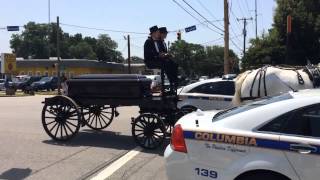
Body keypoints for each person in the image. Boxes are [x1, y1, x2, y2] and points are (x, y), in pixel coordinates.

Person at [144, 26, 178, 94]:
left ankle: (174, 81)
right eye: (157, 33)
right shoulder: (148, 42)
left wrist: (166, 55)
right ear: (153, 33)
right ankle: (171, 83)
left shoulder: (158, 42)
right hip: (150, 61)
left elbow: (161, 52)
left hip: (158, 60)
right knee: (166, 64)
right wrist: (159, 55)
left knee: (173, 63)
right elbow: (149, 54)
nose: (159, 34)